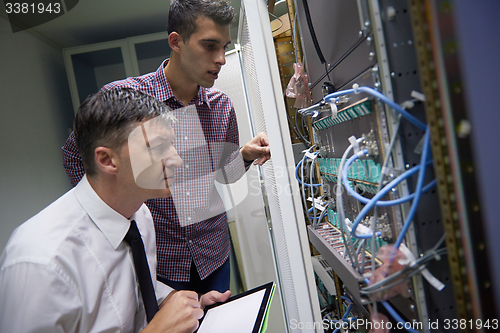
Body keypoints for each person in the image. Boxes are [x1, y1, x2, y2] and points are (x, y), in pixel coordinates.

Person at [62, 0, 271, 294]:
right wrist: (113, 219)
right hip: (157, 262)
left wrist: (244, 156)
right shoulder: (124, 98)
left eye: (224, 46)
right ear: (177, 42)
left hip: (213, 255)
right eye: (210, 46)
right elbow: (74, 157)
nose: (222, 58)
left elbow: (225, 174)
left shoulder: (222, 107)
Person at [0, 88, 230, 333]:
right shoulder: (42, 261)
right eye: (158, 147)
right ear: (108, 160)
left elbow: (130, 290)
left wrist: (181, 304)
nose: (177, 159)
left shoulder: (139, 214)